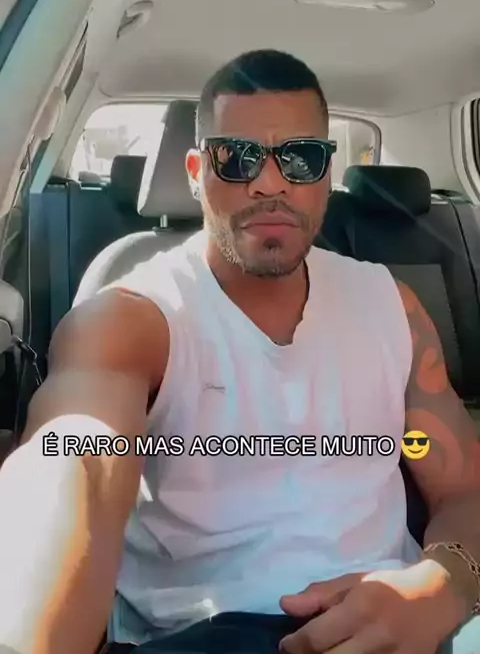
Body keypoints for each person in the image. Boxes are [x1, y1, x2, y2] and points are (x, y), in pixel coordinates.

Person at [0, 49, 479, 654]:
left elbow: (465, 489)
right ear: (196, 171)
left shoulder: (391, 306)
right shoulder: (132, 318)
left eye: (300, 159)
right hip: (211, 633)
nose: (270, 183)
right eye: (237, 157)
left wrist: (445, 584)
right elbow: (72, 469)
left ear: (327, 174)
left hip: (404, 617)